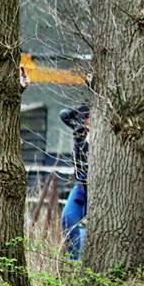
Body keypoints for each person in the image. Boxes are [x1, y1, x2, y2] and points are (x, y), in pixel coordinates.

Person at [60, 105, 90, 260]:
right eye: (86, 119)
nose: (86, 121)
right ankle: (74, 261)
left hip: (99, 189)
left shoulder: (109, 137)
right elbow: (64, 114)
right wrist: (82, 111)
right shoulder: (81, 131)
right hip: (82, 185)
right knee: (68, 218)